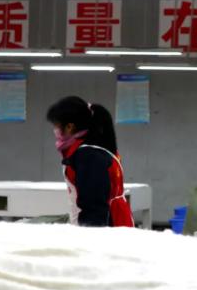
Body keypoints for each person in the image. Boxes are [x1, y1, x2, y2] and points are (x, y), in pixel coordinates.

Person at [47, 96, 134, 228]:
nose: (55, 130)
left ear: (70, 127)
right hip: (114, 222)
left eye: (57, 125)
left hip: (107, 228)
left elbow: (94, 209)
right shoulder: (94, 147)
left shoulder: (88, 156)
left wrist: (89, 237)